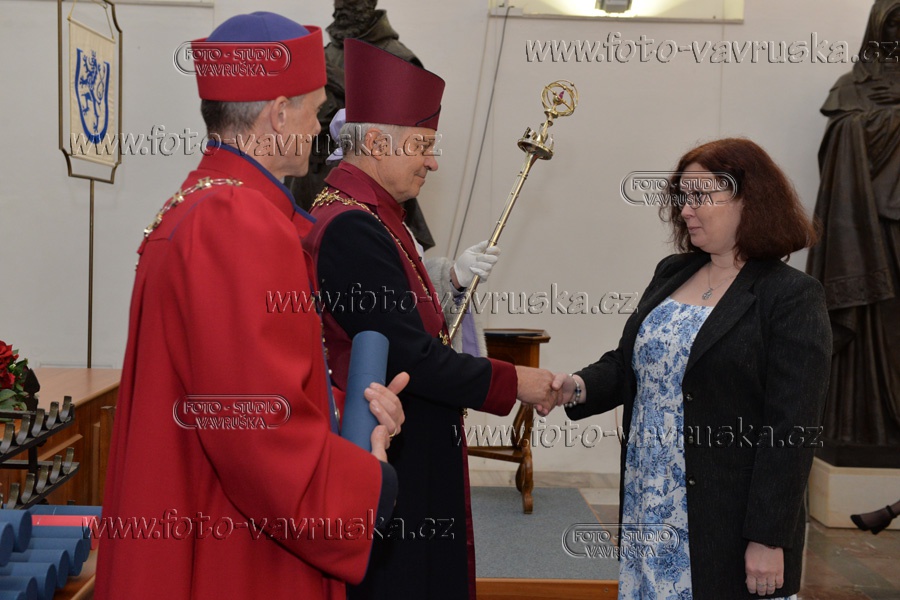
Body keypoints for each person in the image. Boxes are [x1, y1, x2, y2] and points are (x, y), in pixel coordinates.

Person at [96, 13, 406, 600]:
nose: (319, 128)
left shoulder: (200, 203)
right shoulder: (238, 220)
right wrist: (366, 484)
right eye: (316, 110)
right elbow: (257, 431)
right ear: (278, 113)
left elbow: (232, 381)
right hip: (239, 546)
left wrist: (346, 408)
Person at [303, 40, 557, 600]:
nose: (432, 161)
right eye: (422, 146)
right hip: (391, 448)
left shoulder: (372, 216)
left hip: (409, 437)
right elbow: (409, 355)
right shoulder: (352, 227)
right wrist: (515, 381)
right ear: (375, 143)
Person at [551, 138, 831, 599]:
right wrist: (576, 386)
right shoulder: (672, 272)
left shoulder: (791, 296)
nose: (685, 210)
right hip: (649, 498)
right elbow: (630, 363)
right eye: (682, 197)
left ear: (749, 200)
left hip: (727, 517)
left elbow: (792, 430)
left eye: (700, 196)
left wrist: (768, 537)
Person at [806, 0, 900, 463]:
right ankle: (862, 425)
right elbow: (837, 146)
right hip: (864, 227)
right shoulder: (851, 85)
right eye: (894, 23)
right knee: (867, 318)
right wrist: (873, 121)